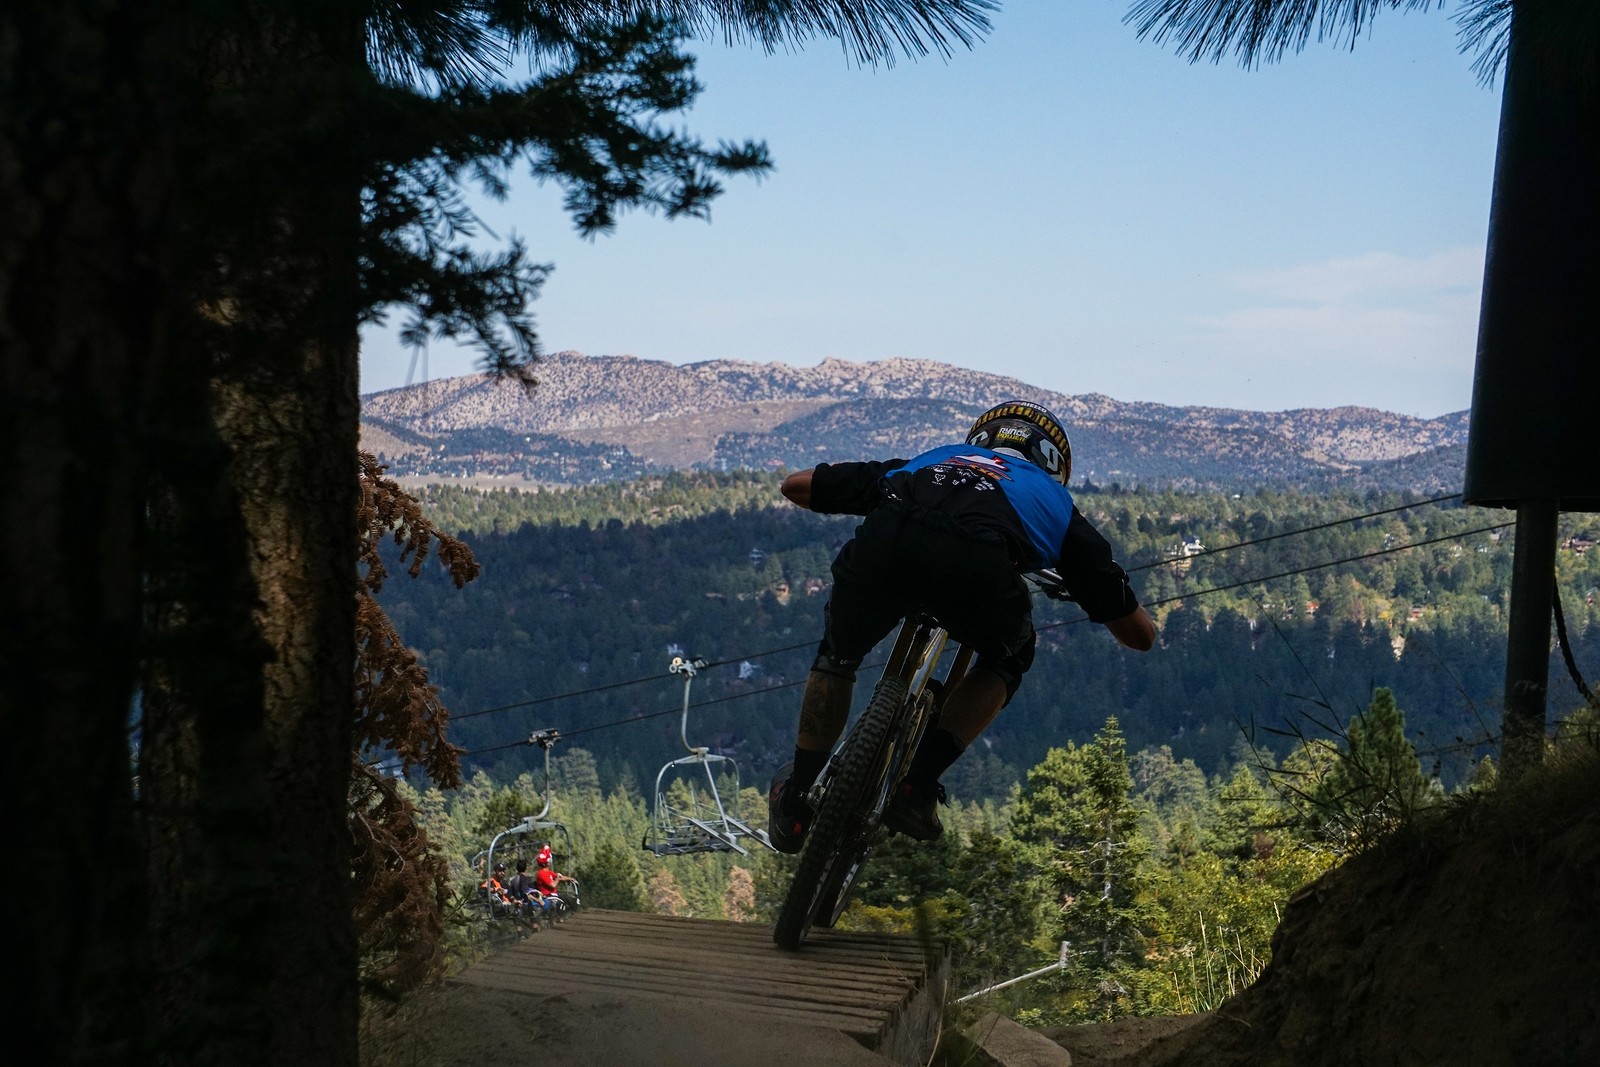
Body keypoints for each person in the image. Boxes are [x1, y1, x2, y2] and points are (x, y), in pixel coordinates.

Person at [766, 400, 1157, 853]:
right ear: (1052, 464)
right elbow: (1139, 637)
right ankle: (916, 786)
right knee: (1010, 656)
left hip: (888, 541)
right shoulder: (1055, 504)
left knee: (838, 655)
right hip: (978, 568)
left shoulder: (930, 460)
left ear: (979, 439)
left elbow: (796, 487)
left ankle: (797, 797)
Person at [532, 852, 577, 921]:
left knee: (571, 899)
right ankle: (559, 919)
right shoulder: (541, 873)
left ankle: (573, 915)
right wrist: (558, 879)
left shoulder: (548, 872)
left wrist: (571, 879)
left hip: (555, 895)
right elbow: (553, 885)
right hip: (548, 896)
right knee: (561, 904)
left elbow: (559, 877)